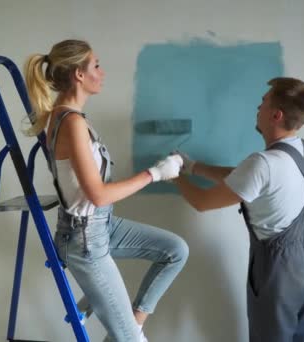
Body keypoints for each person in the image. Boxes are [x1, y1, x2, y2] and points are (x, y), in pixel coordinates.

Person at [24, 39, 189, 342]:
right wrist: (155, 173)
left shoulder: (71, 119)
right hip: (85, 240)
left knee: (175, 250)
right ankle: (128, 334)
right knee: (130, 341)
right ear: (79, 75)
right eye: (96, 65)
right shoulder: (70, 122)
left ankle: (132, 326)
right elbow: (97, 194)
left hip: (101, 226)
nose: (102, 72)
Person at [173, 77, 304, 342]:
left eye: (263, 103)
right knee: (301, 335)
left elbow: (202, 202)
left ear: (275, 115)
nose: (258, 107)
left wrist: (173, 175)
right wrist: (193, 167)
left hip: (279, 267)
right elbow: (244, 179)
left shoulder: (263, 163)